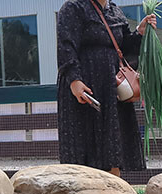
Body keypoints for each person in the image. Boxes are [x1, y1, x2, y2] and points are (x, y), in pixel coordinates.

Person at [56, 0, 156, 177]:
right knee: (84, 140)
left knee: (112, 142)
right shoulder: (73, 7)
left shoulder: (115, 11)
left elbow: (124, 47)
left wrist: (140, 33)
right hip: (85, 86)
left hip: (111, 87)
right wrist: (74, 80)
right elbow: (65, 45)